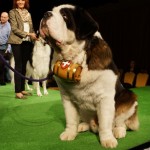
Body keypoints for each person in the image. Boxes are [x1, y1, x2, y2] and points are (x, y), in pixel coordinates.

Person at [8, 0, 37, 99]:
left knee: (24, 65)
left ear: (25, 2)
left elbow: (31, 28)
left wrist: (34, 36)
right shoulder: (12, 12)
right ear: (16, 2)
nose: (20, 2)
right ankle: (17, 91)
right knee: (18, 65)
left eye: (22, 0)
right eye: (18, 0)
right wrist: (28, 34)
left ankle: (22, 89)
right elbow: (14, 28)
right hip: (16, 41)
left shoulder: (28, 13)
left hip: (27, 41)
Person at [0, 12, 12, 86]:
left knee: (1, 65)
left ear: (7, 18)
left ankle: (2, 81)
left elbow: (10, 39)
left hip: (4, 48)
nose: (3, 18)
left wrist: (8, 49)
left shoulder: (9, 27)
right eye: (1, 16)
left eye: (4, 17)